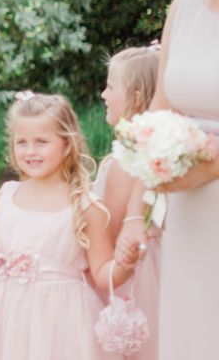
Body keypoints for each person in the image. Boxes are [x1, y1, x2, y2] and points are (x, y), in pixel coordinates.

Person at [0, 93, 139, 360]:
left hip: (59, 323)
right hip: (3, 318)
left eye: (41, 142)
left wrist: (124, 263)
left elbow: (101, 272)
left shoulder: (85, 206)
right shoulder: (6, 197)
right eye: (22, 142)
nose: (30, 151)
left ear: (67, 144)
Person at [119, 0, 219, 360]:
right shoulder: (184, 9)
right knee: (191, 332)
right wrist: (136, 215)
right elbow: (156, 116)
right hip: (187, 211)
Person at [97, 46, 161, 360]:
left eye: (110, 86)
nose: (103, 94)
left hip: (132, 289)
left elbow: (105, 237)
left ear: (135, 98)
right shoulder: (169, 161)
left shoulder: (123, 164)